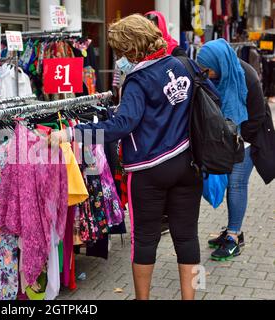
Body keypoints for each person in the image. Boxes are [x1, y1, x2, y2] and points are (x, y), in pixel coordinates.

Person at [52, 14, 213, 300]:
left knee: (145, 240)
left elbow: (121, 126)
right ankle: (194, 296)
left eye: (121, 51)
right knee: (188, 237)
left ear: (131, 48)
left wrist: (73, 133)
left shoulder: (137, 80)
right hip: (188, 165)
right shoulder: (182, 64)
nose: (120, 58)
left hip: (150, 171)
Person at [197, 39, 269, 261]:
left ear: (217, 64)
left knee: (237, 183)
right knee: (230, 182)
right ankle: (233, 230)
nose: (205, 74)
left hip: (246, 139)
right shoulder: (217, 75)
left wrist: (237, 139)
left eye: (207, 70)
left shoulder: (247, 76)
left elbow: (256, 117)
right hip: (228, 138)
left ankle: (233, 237)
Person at [144, 10, 187, 235]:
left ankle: (170, 215)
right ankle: (160, 216)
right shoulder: (141, 52)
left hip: (174, 117)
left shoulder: (176, 51)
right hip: (152, 118)